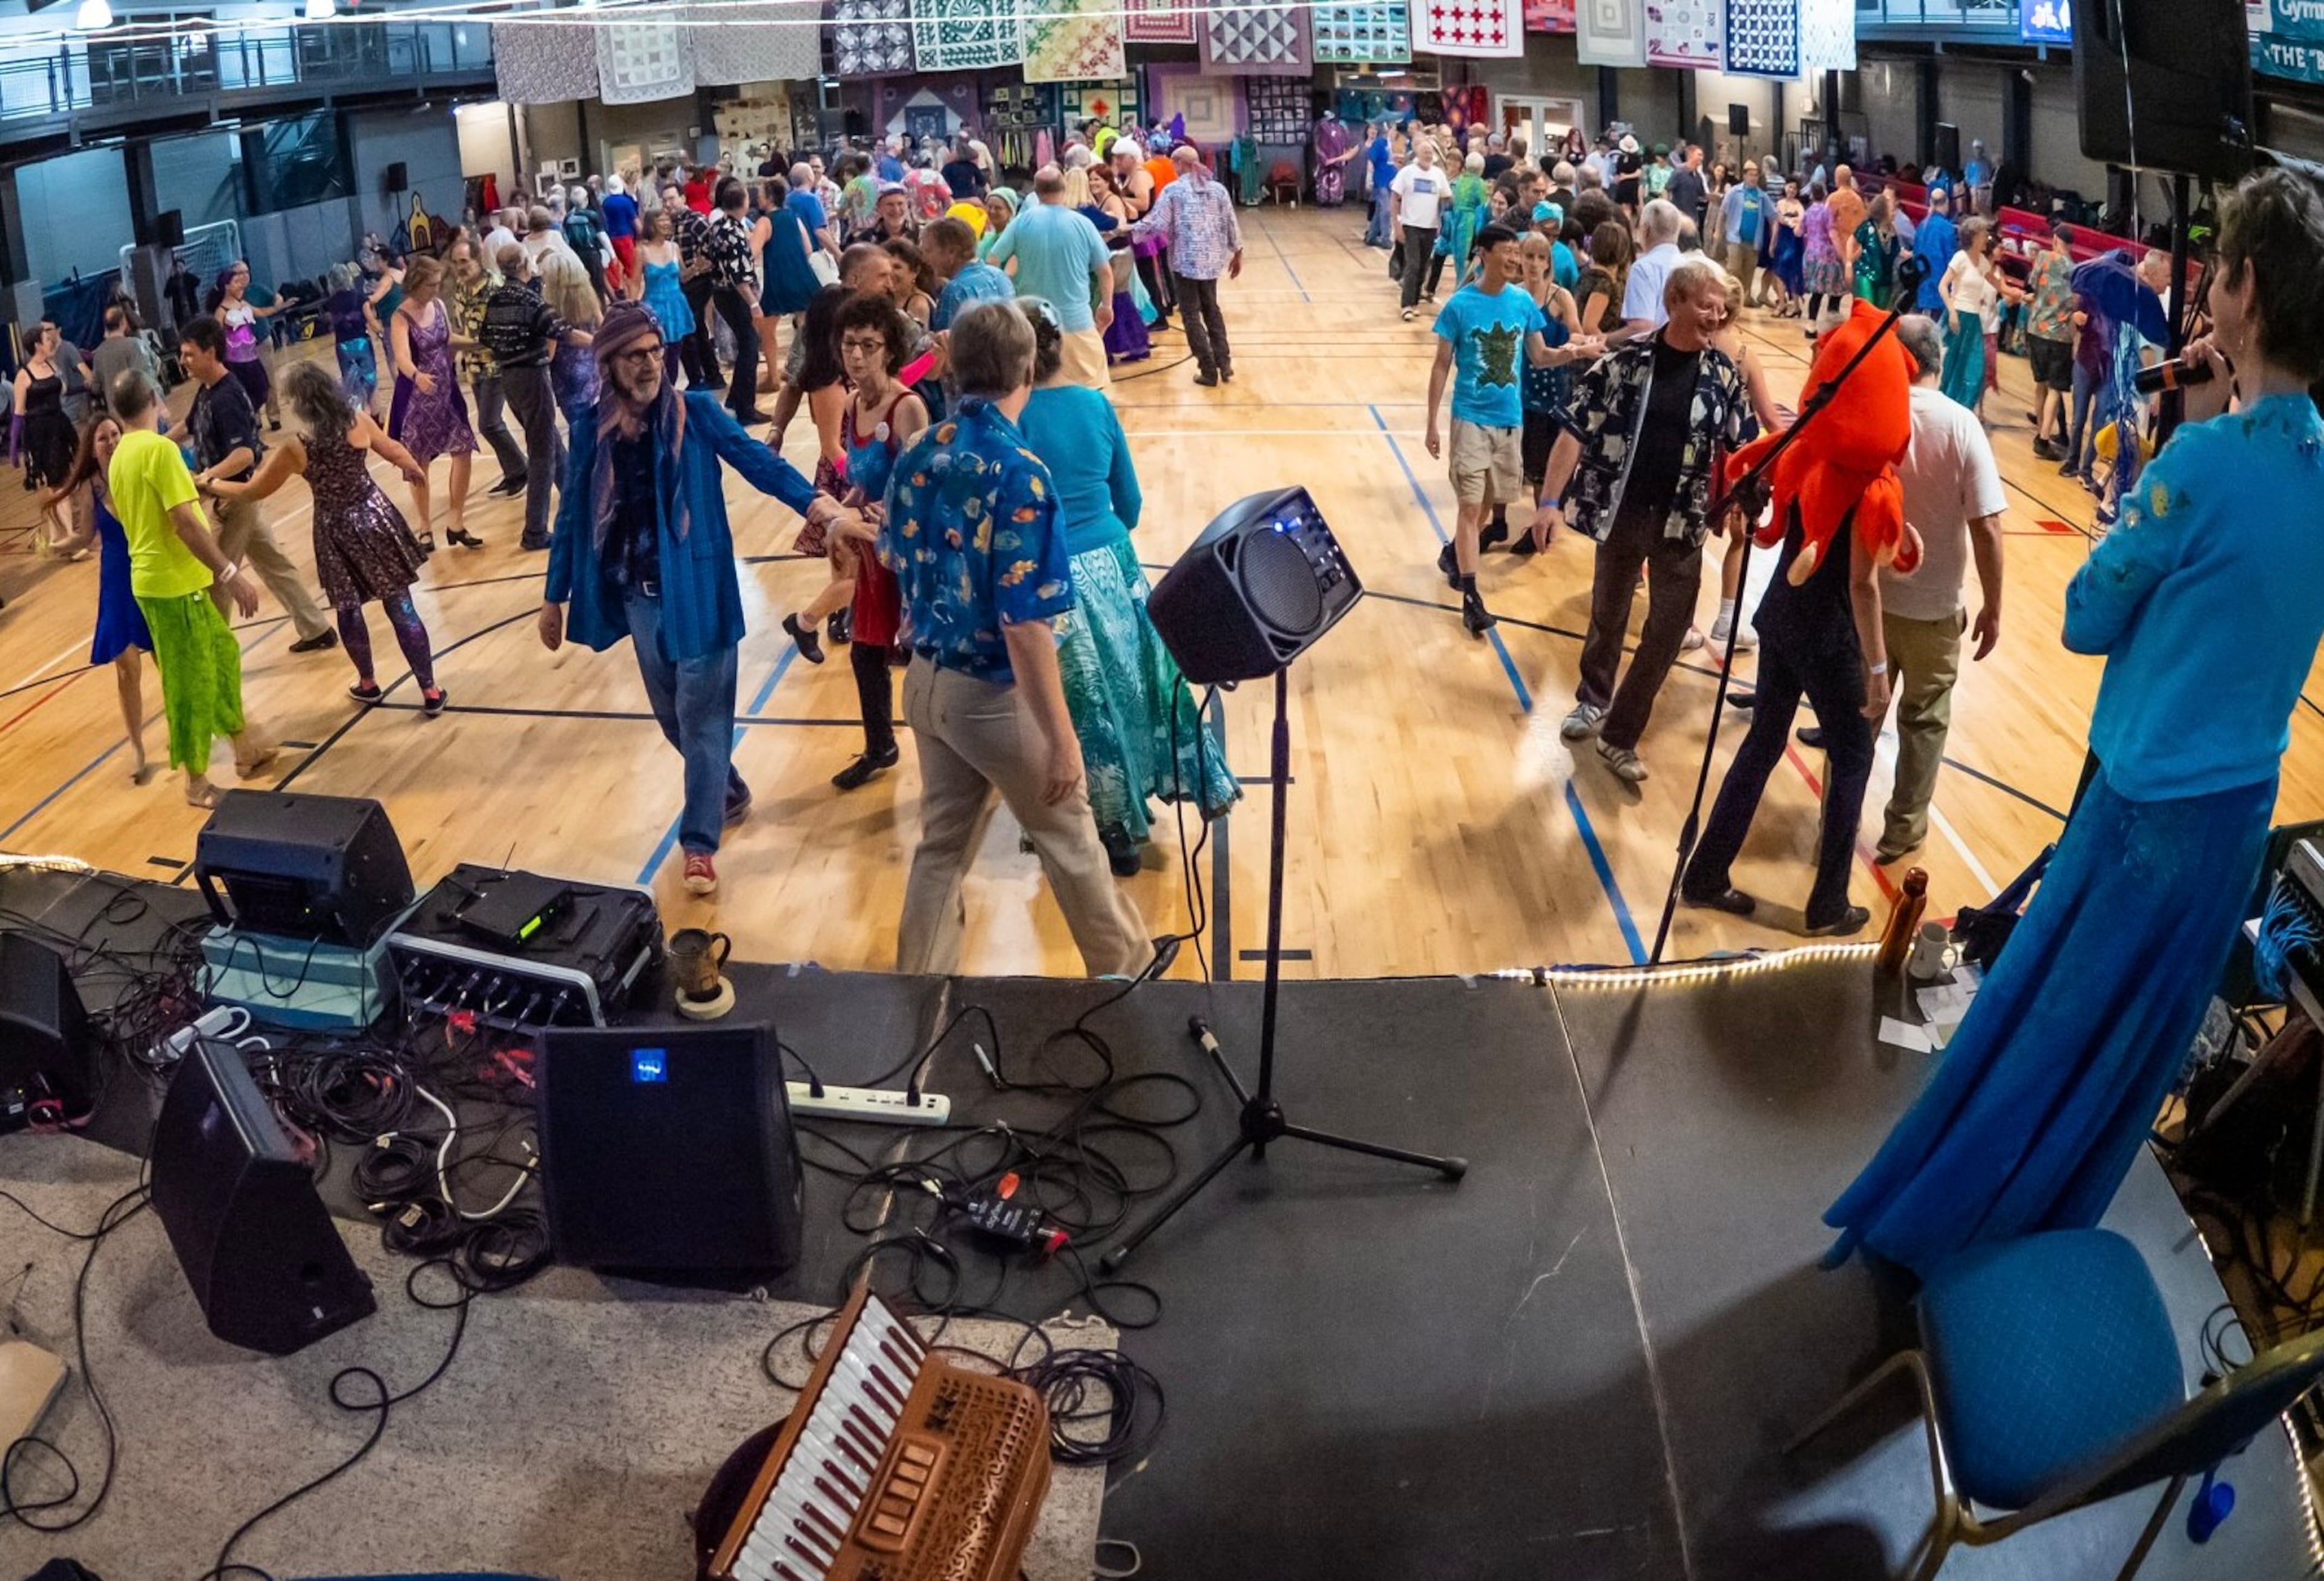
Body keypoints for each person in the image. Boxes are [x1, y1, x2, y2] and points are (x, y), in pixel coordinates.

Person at [1826, 168, 2324, 1274]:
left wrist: (2181, 442)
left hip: (2143, 805)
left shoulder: (2200, 463)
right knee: (2128, 1048)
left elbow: (2092, 614)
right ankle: (2047, 1240)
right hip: (2238, 808)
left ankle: (1943, 1232)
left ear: (2243, 290)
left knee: (2048, 1029)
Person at [875, 301, 1155, 978]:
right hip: (994, 698)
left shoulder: (919, 451)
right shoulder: (1021, 474)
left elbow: (891, 553)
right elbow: (1025, 624)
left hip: (925, 684)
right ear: (1027, 367)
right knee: (1071, 842)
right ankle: (1131, 980)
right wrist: (1062, 740)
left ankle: (917, 992)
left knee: (941, 849)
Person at [539, 302, 856, 899]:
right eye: (636, 356)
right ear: (608, 365)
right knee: (672, 720)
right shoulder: (590, 430)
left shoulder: (696, 413)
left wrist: (819, 506)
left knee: (703, 719)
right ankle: (727, 791)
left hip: (700, 590)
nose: (651, 365)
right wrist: (554, 597)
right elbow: (573, 516)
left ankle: (699, 845)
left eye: (657, 352)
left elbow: (759, 462)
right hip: (637, 596)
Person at [1014, 299, 1238, 873]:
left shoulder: (1007, 422)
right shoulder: (1095, 406)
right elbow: (1131, 503)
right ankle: (1133, 824)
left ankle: (1095, 822)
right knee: (1138, 689)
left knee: (1074, 706)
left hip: (1048, 577)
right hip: (1113, 565)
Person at [1538, 259, 1748, 784]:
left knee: (1670, 628)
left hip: (1684, 524)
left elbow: (1742, 447)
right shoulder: (1624, 362)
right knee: (1609, 613)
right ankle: (1592, 700)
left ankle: (1621, 733)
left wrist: (1746, 498)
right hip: (1624, 512)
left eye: (1720, 309)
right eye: (1705, 305)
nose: (1715, 316)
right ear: (1674, 302)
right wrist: (1547, 503)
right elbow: (1573, 430)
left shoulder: (1723, 375)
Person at [205, 362, 445, 715]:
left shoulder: (297, 447)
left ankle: (368, 683)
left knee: (349, 608)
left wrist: (210, 484)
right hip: (375, 516)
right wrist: (410, 467)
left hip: (334, 529)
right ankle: (430, 690)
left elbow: (253, 491)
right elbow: (392, 447)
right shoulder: (358, 420)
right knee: (400, 603)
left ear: (300, 403)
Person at [1866, 315, 2005, 865]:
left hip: (1869, 601)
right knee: (1923, 724)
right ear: (1938, 360)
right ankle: (1901, 831)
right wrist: (1995, 604)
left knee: (1858, 714)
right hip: (1934, 609)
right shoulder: (1961, 424)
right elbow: (1988, 525)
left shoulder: (1874, 416)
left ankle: (1837, 812)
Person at [107, 370, 274, 807]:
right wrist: (230, 574)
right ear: (153, 398)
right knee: (190, 683)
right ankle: (196, 782)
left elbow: (150, 515)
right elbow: (182, 524)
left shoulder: (122, 454)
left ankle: (245, 747)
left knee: (222, 656)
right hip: (170, 586)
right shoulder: (158, 451)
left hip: (176, 581)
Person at [1424, 226, 1572, 636]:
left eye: (1517, 253)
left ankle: (1453, 554)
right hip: (1470, 417)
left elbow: (1540, 356)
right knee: (1471, 508)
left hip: (1510, 421)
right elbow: (1441, 364)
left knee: (1487, 506)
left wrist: (1576, 352)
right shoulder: (1459, 305)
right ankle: (1472, 599)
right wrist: (1432, 422)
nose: (1514, 260)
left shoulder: (1523, 302)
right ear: (1484, 254)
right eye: (1508, 253)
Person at [815, 293, 928, 792]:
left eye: (868, 345)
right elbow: (863, 477)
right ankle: (881, 745)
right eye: (848, 345)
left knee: (925, 661)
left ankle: (957, 766)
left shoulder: (908, 407)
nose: (856, 356)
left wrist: (887, 511)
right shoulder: (854, 403)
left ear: (890, 349)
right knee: (865, 655)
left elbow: (927, 487)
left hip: (911, 556)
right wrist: (844, 507)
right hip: (873, 552)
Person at [174, 317, 336, 652]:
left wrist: (207, 478)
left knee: (217, 574)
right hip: (232, 498)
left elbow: (245, 455)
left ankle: (215, 652)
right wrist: (152, 442)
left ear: (211, 352)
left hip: (233, 501)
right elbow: (187, 425)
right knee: (273, 563)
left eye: (190, 354)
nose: (183, 361)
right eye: (182, 354)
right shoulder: (206, 391)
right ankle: (316, 628)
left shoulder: (228, 397)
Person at [42, 416, 153, 780]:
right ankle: (137, 746)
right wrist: (56, 546)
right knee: (127, 668)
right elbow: (85, 536)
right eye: (103, 438)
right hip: (117, 583)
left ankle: (188, 730)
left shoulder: (138, 468)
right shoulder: (91, 486)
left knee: (166, 658)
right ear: (92, 446)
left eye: (115, 434)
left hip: (150, 571)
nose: (110, 441)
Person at [387, 254, 483, 552]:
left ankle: (456, 521)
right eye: (431, 285)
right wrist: (418, 377)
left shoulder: (439, 306)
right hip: (417, 398)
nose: (436, 290)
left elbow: (447, 339)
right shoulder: (400, 317)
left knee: (463, 448)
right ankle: (425, 527)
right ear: (416, 283)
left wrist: (478, 342)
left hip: (446, 393)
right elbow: (401, 357)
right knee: (419, 460)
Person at [988, 166, 1115, 390]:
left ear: (1035, 192)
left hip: (1034, 324)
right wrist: (1106, 305)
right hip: (1077, 322)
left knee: (1039, 392)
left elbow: (992, 263)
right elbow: (1104, 271)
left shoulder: (1021, 222)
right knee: (1092, 390)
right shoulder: (1083, 224)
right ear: (1064, 188)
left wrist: (1005, 301)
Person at [481, 244, 569, 553]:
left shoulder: (496, 299)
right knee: (543, 450)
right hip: (533, 376)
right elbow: (561, 331)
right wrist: (600, 342)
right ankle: (535, 531)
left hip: (509, 379)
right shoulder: (530, 299)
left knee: (549, 439)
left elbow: (486, 338)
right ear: (523, 264)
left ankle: (575, 498)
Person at [1129, 145, 1242, 387]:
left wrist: (1129, 231)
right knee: (1212, 309)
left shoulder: (1174, 191)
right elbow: (1231, 221)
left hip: (1185, 263)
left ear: (1181, 163)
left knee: (1191, 315)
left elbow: (1157, 223)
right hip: (1212, 262)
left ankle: (1208, 369)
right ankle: (1224, 362)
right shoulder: (1218, 189)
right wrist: (1237, 252)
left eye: (1174, 164)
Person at [448, 239, 530, 502]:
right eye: (456, 262)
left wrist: (461, 343)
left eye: (465, 261)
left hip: (497, 364)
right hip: (474, 366)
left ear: (478, 259)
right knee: (491, 424)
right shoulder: (461, 289)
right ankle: (514, 472)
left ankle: (522, 470)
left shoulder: (495, 287)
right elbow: (460, 326)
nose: (460, 267)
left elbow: (499, 330)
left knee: (489, 422)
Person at [704, 177, 766, 423]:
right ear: (743, 202)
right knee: (749, 348)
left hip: (721, 293)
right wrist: (753, 303)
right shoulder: (733, 232)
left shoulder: (719, 226)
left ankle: (736, 399)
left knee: (747, 345)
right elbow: (738, 275)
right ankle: (745, 408)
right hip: (734, 295)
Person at [2024, 224, 2079, 460]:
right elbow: (2076, 302)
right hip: (2060, 335)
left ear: (2055, 239)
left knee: (2041, 384)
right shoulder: (2076, 270)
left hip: (2036, 329)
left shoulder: (2044, 257)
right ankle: (2044, 438)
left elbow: (2033, 284)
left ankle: (2040, 431)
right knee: (2056, 389)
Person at [1938, 218, 2002, 416]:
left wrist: (2020, 295)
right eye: (1984, 235)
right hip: (1958, 316)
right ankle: (1942, 402)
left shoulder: (1983, 262)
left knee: (1975, 366)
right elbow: (1943, 285)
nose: (1987, 239)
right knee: (1950, 363)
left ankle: (1961, 407)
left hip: (1974, 321)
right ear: (1974, 236)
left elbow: (1998, 285)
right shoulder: (1960, 258)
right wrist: (1952, 312)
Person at [212, 261, 284, 428]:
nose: (244, 275)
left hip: (261, 341)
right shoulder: (227, 302)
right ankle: (255, 420)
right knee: (248, 385)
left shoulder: (256, 289)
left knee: (269, 380)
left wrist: (278, 302)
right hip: (240, 353)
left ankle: (274, 417)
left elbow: (275, 299)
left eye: (246, 272)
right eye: (239, 273)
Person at [631, 208, 697, 384]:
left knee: (674, 355)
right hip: (654, 306)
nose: (666, 224)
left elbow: (683, 276)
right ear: (651, 225)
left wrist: (696, 268)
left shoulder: (674, 247)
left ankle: (671, 393)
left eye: (668, 220)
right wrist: (631, 308)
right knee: (657, 355)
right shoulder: (641, 251)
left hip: (676, 305)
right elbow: (635, 282)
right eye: (661, 220)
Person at [1391, 139, 1456, 321]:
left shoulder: (1438, 174)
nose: (1428, 155)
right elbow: (1395, 198)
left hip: (1431, 227)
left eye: (1430, 152)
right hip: (1411, 225)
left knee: (1423, 266)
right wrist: (1397, 225)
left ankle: (1414, 302)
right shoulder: (1407, 173)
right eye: (1425, 152)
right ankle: (1406, 305)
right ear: (1417, 154)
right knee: (1413, 265)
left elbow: (1447, 198)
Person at [15, 321, 77, 493]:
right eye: (47, 340)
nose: (51, 343)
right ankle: (58, 515)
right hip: (40, 431)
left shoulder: (52, 365)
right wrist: (14, 447)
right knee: (55, 478)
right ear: (38, 345)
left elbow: (63, 390)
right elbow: (18, 413)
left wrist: (57, 371)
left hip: (60, 424)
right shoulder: (23, 375)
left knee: (70, 471)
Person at [925, 216, 1014, 331]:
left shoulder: (955, 290)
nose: (925, 258)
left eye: (928, 251)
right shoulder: (1000, 276)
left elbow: (944, 343)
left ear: (951, 252)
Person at [1620, 199, 1686, 340]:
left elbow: (1642, 328)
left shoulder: (1643, 268)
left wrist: (1605, 340)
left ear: (1646, 229)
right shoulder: (1690, 266)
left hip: (1653, 355)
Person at [90, 307, 158, 418]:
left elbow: (96, 387)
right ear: (123, 322)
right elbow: (146, 376)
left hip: (116, 416)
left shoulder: (99, 353)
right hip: (140, 411)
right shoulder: (134, 345)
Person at [1721, 162, 1768, 307]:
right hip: (1735, 238)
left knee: (1749, 273)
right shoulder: (1735, 192)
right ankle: (1729, 299)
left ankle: (1745, 299)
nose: (1754, 178)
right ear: (1745, 176)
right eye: (1751, 175)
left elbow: (1774, 216)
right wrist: (1718, 231)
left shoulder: (1762, 196)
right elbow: (1723, 212)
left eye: (1756, 175)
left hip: (1753, 241)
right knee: (1734, 269)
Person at [1574, 221, 1632, 336]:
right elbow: (1589, 327)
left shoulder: (1587, 274)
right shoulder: (1604, 284)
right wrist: (1608, 347)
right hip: (1597, 350)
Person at [1912, 183, 1958, 318]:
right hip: (1938, 293)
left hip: (1921, 288)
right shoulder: (1947, 228)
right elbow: (1951, 261)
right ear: (1947, 203)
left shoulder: (1922, 226)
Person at [1766, 177, 1805, 317]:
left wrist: (1793, 221)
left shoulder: (1799, 205)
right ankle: (1783, 303)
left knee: (1792, 273)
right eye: (1790, 187)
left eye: (1794, 188)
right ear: (1785, 187)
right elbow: (1777, 223)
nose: (1791, 190)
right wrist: (1773, 243)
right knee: (1778, 272)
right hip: (1782, 240)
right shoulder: (1780, 203)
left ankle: (1796, 306)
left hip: (1794, 241)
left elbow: (1802, 220)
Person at [1363, 122, 1397, 249]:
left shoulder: (1392, 145)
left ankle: (1371, 237)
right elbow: (1371, 161)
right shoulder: (1378, 144)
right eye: (1393, 130)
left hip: (1390, 182)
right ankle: (1385, 238)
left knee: (1380, 210)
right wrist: (1369, 179)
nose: (1395, 133)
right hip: (1380, 181)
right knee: (1387, 209)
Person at [602, 174, 641, 287]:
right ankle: (633, 293)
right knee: (631, 269)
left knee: (616, 268)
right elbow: (635, 220)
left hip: (611, 237)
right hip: (625, 237)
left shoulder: (606, 202)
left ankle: (620, 290)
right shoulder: (625, 202)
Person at [1666, 145, 1708, 233]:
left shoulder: (1698, 176)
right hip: (1679, 216)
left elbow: (1702, 195)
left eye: (1702, 155)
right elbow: (1667, 189)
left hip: (1693, 217)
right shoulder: (1679, 172)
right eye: (1699, 155)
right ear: (1691, 156)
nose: (1702, 158)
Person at [978, 186, 1019, 264]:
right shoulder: (987, 237)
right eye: (989, 207)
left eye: (998, 208)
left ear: (1010, 212)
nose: (992, 211)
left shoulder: (1014, 239)